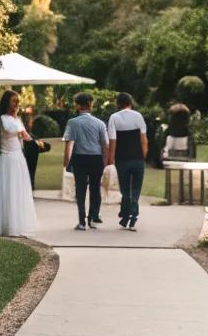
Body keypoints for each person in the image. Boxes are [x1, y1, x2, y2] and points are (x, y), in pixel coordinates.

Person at [0, 90, 38, 238]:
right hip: (7, 159)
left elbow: (25, 137)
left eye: (18, 101)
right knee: (8, 190)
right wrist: (21, 130)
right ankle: (5, 226)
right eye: (14, 101)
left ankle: (16, 225)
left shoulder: (17, 119)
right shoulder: (3, 118)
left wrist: (32, 138)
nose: (17, 104)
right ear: (7, 102)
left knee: (18, 190)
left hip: (18, 157)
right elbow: (10, 130)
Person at [62, 92, 108, 231]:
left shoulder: (72, 122)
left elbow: (69, 143)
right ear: (90, 105)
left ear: (77, 105)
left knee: (81, 190)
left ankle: (82, 222)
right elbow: (104, 144)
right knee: (95, 189)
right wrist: (105, 162)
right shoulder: (99, 123)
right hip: (96, 158)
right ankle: (92, 218)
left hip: (79, 158)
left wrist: (66, 162)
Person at [107, 91, 148, 232]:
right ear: (130, 103)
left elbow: (112, 141)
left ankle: (125, 216)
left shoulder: (114, 118)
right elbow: (144, 140)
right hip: (138, 159)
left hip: (122, 160)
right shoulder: (138, 116)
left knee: (125, 190)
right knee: (135, 190)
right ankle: (132, 218)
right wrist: (143, 156)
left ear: (118, 104)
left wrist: (110, 160)